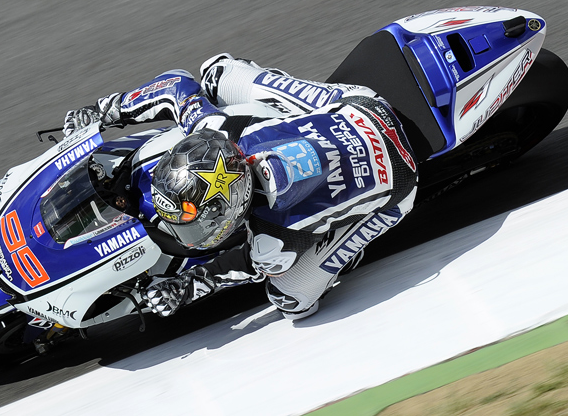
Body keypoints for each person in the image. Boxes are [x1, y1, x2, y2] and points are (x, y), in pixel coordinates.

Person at [63, 54, 418, 320]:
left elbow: (245, 264)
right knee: (216, 72)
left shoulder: (272, 240)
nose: (181, 224)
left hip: (399, 182)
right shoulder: (215, 128)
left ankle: (344, 245)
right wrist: (104, 112)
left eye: (192, 220)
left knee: (291, 300)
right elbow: (175, 86)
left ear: (230, 209)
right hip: (360, 107)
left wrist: (188, 285)